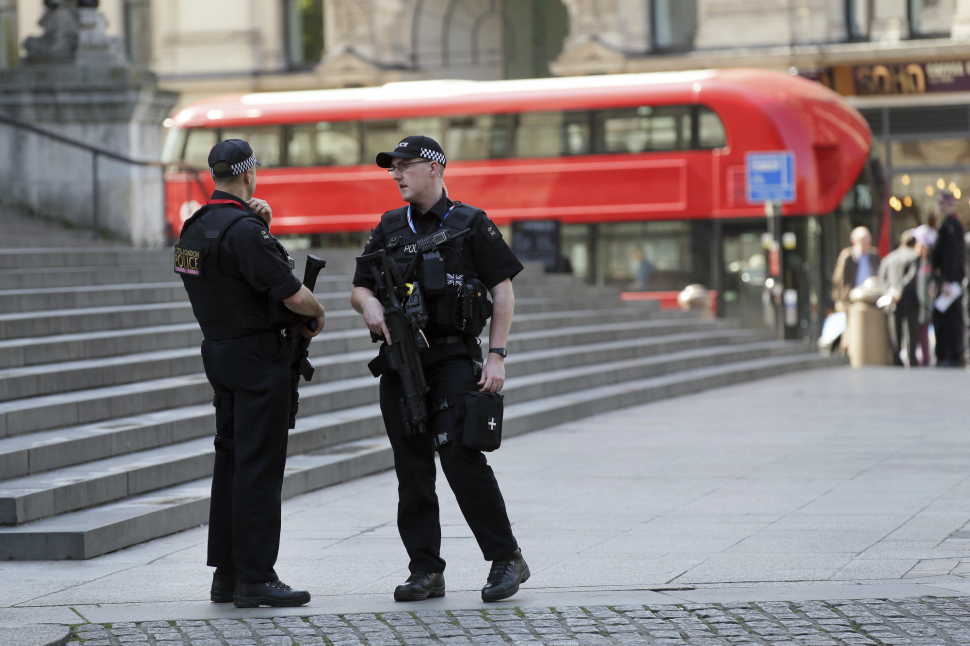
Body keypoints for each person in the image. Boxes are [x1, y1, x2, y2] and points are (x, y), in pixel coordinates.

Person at [350, 136, 529, 603]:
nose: (396, 174)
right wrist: (368, 305)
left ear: (433, 167)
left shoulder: (471, 223)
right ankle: (425, 570)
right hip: (402, 361)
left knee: (459, 455)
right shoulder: (390, 226)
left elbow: (503, 290)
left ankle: (506, 557)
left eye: (404, 165)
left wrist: (497, 354)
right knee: (411, 469)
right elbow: (360, 287)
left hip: (453, 357)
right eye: (392, 168)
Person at [174, 139, 326, 608]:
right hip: (258, 358)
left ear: (215, 174)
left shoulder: (194, 227)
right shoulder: (242, 231)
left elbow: (225, 277)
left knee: (232, 461)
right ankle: (257, 577)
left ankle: (227, 575)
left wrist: (260, 227)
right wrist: (317, 311)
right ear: (248, 173)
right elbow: (292, 294)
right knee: (259, 467)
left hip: (219, 352)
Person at [932, 190, 967, 366]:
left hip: (949, 282)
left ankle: (951, 354)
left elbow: (951, 256)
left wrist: (947, 279)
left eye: (942, 203)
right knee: (944, 318)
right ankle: (947, 353)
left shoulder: (952, 225)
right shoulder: (947, 224)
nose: (940, 206)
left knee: (950, 319)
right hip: (946, 279)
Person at [878, 230, 919, 366]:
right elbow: (911, 277)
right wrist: (899, 291)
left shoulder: (889, 258)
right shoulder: (914, 257)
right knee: (911, 334)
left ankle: (897, 363)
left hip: (893, 301)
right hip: (909, 301)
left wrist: (890, 291)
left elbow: (882, 278)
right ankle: (912, 362)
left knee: (895, 334)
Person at [912, 225, 938, 366]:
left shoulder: (929, 264)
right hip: (913, 303)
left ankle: (925, 360)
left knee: (924, 334)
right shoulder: (912, 261)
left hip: (926, 304)